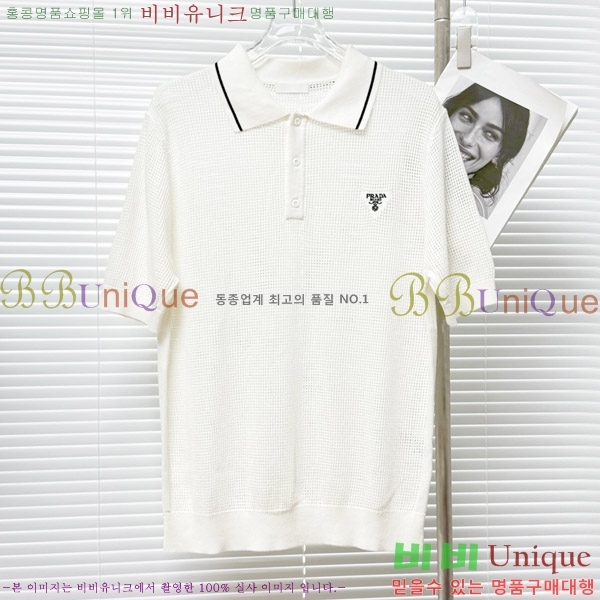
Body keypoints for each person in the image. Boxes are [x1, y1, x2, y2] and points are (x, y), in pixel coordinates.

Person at [444, 83, 530, 219]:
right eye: (466, 117)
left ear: (500, 154)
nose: (467, 139)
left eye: (490, 135)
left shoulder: (468, 209)